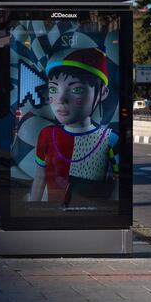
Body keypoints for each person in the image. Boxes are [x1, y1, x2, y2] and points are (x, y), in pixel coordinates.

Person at [29, 48, 118, 207]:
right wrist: (32, 210)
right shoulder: (47, 135)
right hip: (53, 216)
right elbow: (39, 178)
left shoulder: (110, 139)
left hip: (92, 217)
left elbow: (118, 187)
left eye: (76, 89)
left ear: (102, 93)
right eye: (53, 90)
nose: (61, 99)